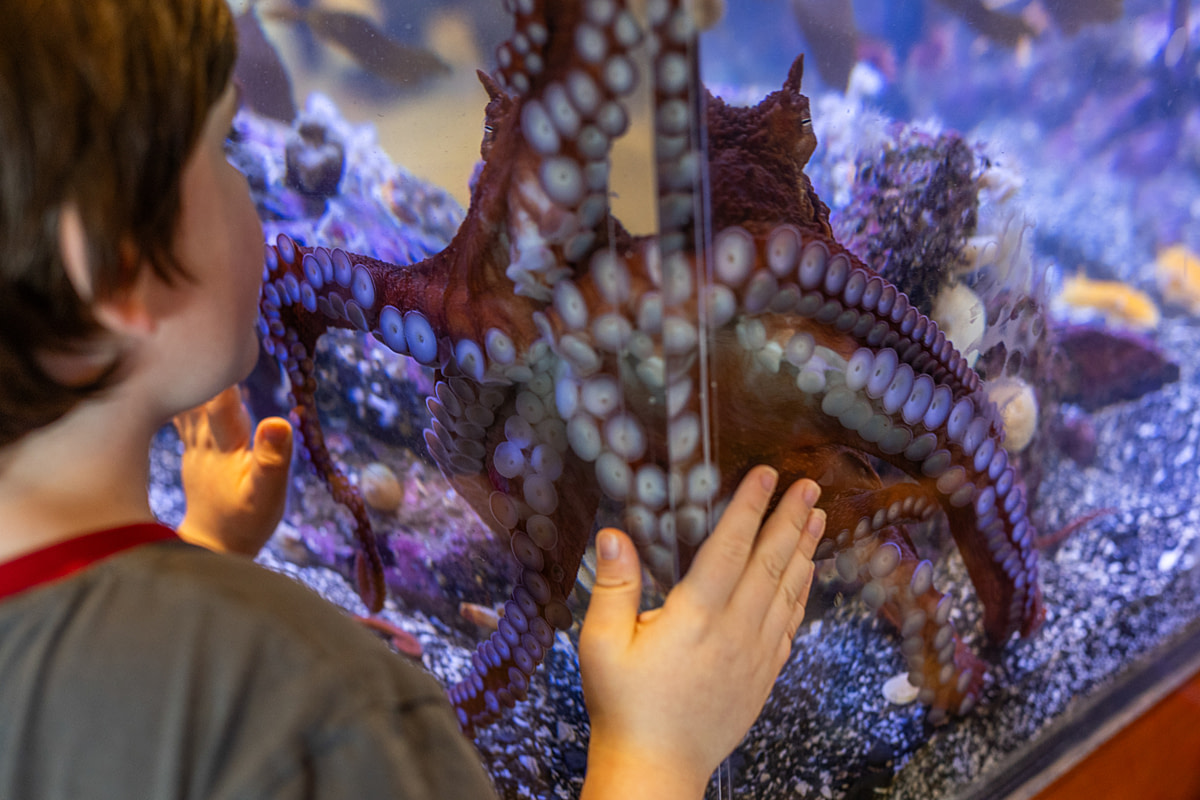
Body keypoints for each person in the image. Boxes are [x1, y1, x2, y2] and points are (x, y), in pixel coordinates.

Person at [0, 1, 827, 798]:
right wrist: (656, 754)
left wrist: (198, 552)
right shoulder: (337, 715)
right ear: (116, 263)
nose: (246, 189)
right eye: (224, 149)